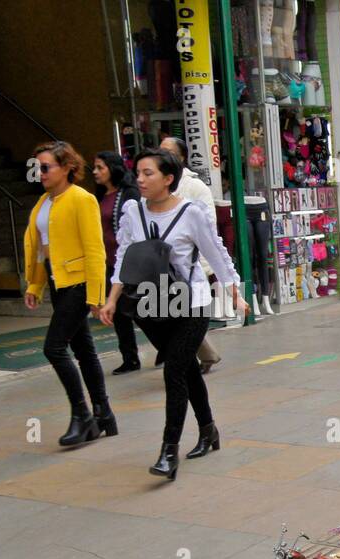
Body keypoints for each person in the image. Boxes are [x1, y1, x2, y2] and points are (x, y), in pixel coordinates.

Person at [99, 148, 246, 480]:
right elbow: (124, 256)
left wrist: (234, 290)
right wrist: (111, 299)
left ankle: (168, 452)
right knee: (187, 370)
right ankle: (209, 430)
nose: (140, 179)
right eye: (138, 173)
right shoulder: (134, 212)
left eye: (148, 173)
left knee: (174, 373)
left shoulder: (190, 212)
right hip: (152, 305)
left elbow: (215, 250)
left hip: (191, 303)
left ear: (168, 179)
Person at [22, 140, 115, 448]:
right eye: (37, 168)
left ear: (67, 168)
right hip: (56, 282)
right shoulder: (43, 203)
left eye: (45, 167)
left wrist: (95, 294)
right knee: (84, 350)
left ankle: (82, 415)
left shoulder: (81, 199)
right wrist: (35, 285)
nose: (40, 173)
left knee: (54, 348)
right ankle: (104, 415)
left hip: (77, 284)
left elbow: (94, 249)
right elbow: (39, 251)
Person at [160, 138, 222, 373]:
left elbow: (208, 227)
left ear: (181, 157)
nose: (161, 155)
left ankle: (191, 358)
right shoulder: (157, 185)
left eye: (167, 152)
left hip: (190, 264)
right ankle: (202, 355)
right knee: (175, 314)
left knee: (185, 314)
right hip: (162, 264)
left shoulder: (195, 187)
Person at [91, 151, 142, 375]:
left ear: (112, 168)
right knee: (119, 313)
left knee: (142, 309)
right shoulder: (100, 195)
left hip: (129, 261)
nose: (95, 172)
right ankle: (130, 358)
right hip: (108, 262)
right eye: (95, 167)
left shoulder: (129, 193)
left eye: (100, 167)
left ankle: (166, 348)